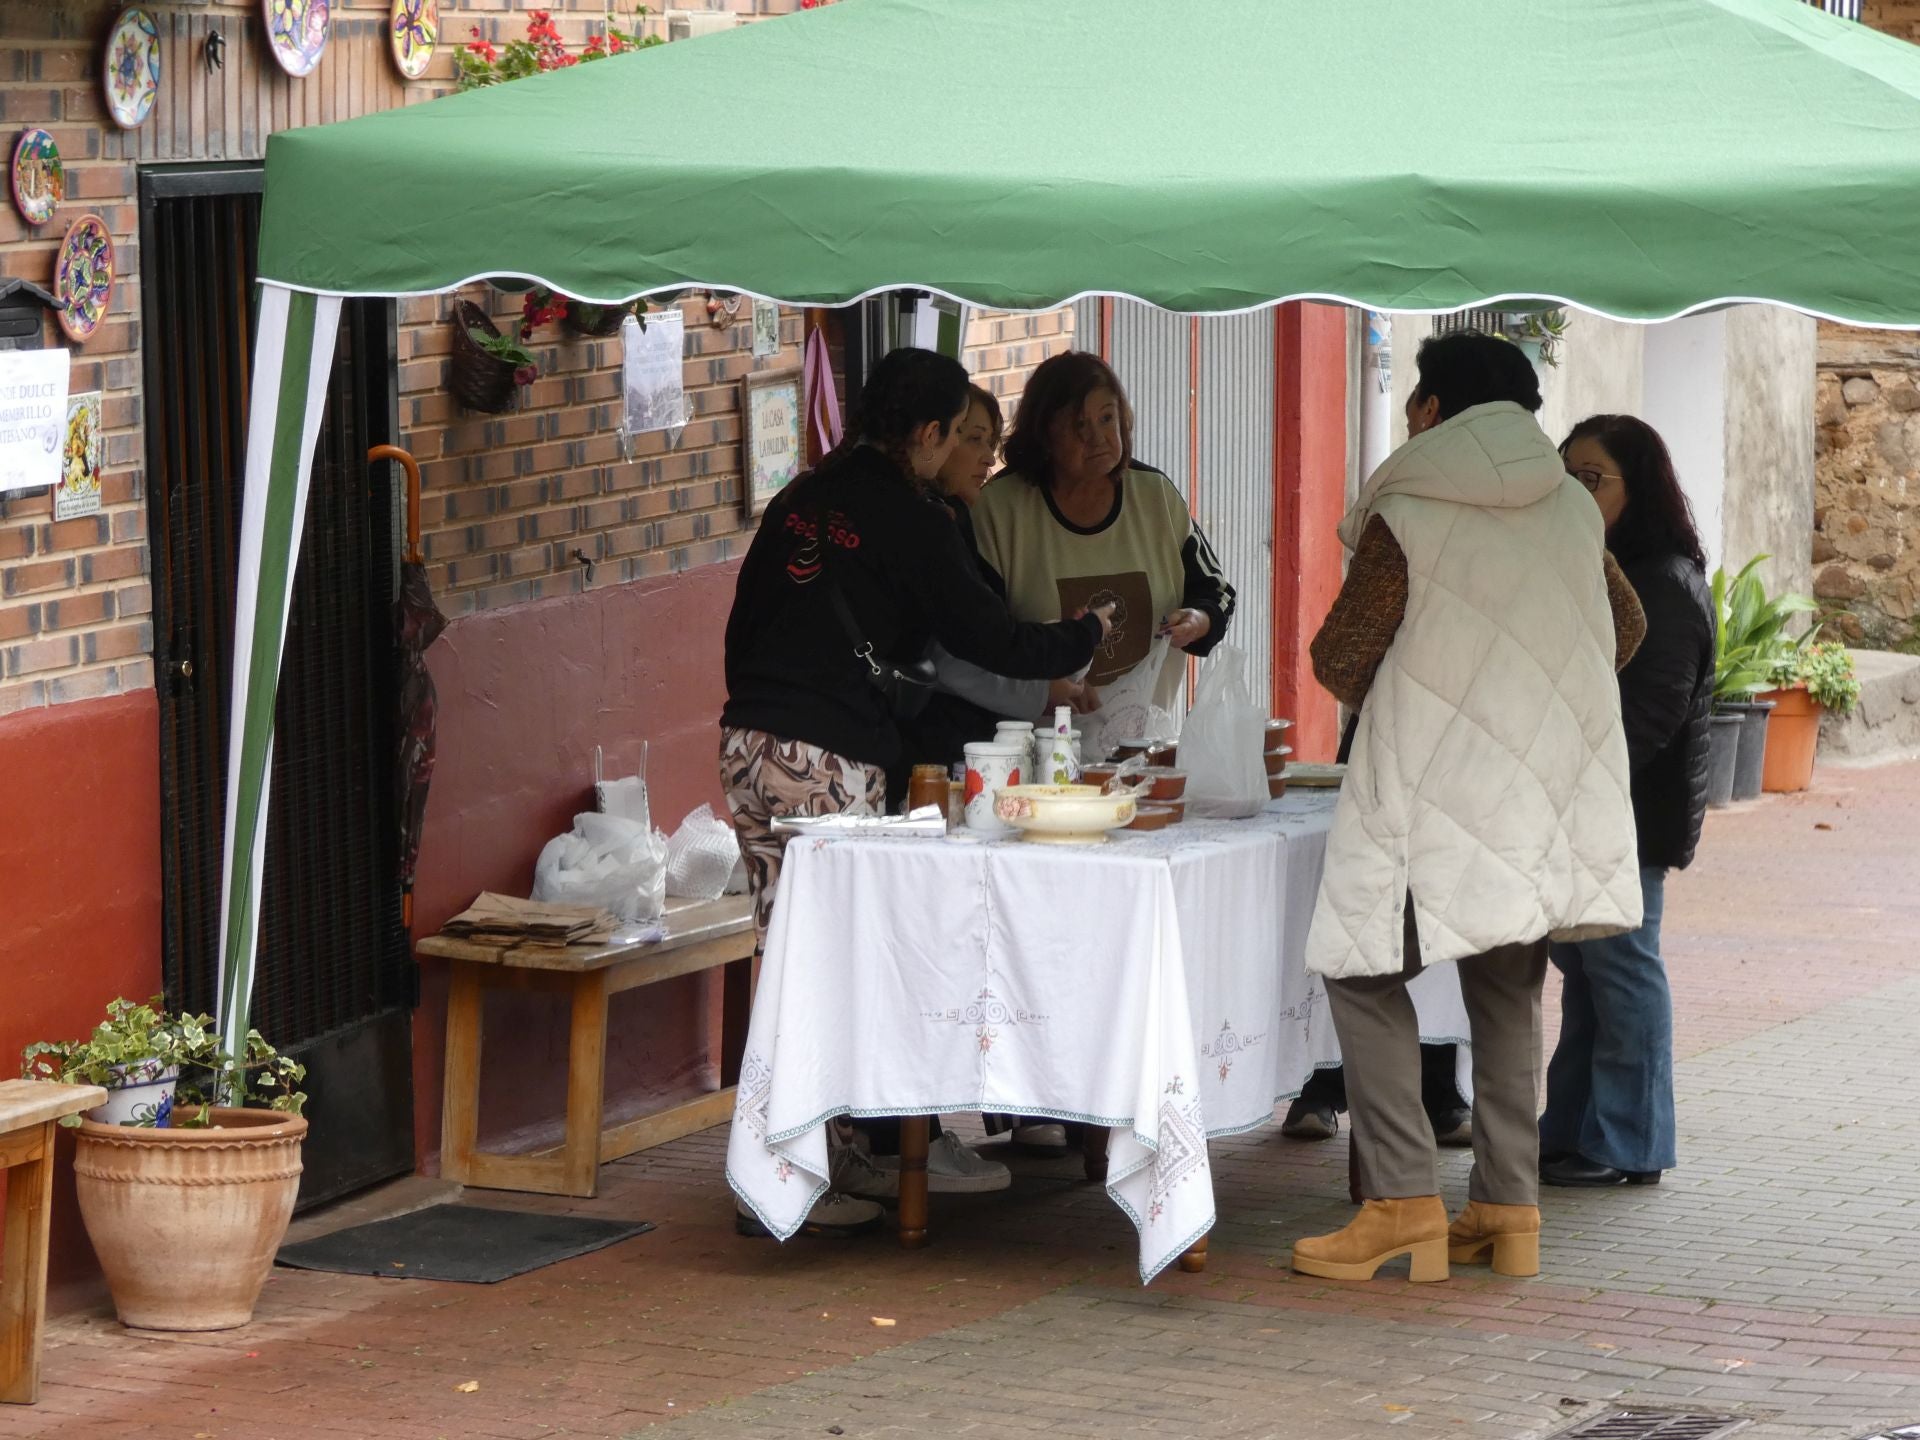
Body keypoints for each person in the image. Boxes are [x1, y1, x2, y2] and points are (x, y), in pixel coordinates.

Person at [720, 347, 1111, 1234]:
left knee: (785, 957)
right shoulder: (915, 516)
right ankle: (789, 1175)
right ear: (929, 433)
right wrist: (1080, 634)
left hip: (746, 746)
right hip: (827, 758)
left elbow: (742, 621)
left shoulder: (799, 498)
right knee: (834, 962)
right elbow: (992, 641)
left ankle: (803, 1162)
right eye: (957, 436)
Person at [1289, 330, 1647, 1285]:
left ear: (1436, 412)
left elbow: (1339, 659)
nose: (1408, 417)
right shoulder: (1571, 506)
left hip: (1423, 794)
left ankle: (1403, 1200)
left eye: (1415, 401)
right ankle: (1507, 1207)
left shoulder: (1408, 509)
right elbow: (1629, 625)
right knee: (1506, 991)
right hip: (1529, 790)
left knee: (1357, 969)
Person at [1539, 415, 1714, 1189]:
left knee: (1622, 971)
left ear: (1635, 487)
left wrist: (1574, 784)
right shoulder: (1593, 565)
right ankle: (1574, 1129)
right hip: (1581, 804)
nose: (1576, 491)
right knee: (1587, 974)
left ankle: (1630, 1142)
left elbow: (1650, 715)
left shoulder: (1663, 579)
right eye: (1565, 474)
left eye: (1593, 477)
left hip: (1626, 815)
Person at [971, 351, 1235, 726]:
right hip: (1032, 745)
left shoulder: (1154, 495)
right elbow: (978, 640)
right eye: (1079, 425)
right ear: (1044, 432)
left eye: (1107, 418)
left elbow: (1217, 591)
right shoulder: (999, 509)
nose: (1097, 438)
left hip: (1141, 745)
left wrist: (1199, 619)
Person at [888, 384, 1096, 810]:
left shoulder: (959, 519)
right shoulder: (926, 527)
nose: (988, 457)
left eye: (992, 441)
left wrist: (1061, 659)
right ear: (935, 438)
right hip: (928, 752)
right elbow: (957, 654)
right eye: (974, 439)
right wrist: (1046, 686)